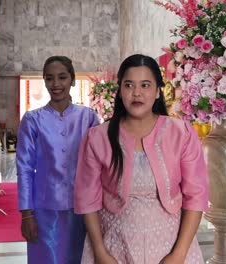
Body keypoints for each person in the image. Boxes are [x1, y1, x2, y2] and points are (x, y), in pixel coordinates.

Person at [74, 54, 209, 263]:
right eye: (129, 85)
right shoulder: (98, 137)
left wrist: (178, 255)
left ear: (157, 92)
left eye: (145, 85)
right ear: (120, 91)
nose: (137, 93)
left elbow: (196, 196)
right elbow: (87, 199)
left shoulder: (181, 133)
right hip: (115, 248)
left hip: (172, 248)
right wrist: (100, 252)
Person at [16, 55, 99, 263]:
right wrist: (27, 215)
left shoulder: (87, 117)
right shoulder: (32, 120)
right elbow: (24, 168)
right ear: (44, 81)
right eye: (49, 78)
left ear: (72, 80)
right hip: (44, 210)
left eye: (62, 77)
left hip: (82, 209)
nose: (56, 84)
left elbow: (98, 165)